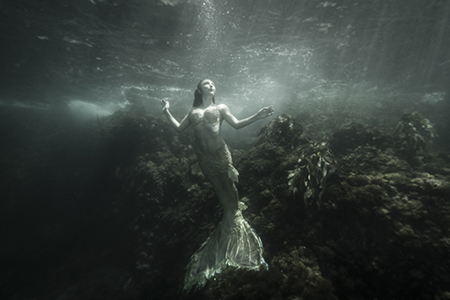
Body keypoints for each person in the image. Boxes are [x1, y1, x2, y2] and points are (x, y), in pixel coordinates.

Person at [161, 79, 274, 291]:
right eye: (207, 83)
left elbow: (237, 124)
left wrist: (258, 116)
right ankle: (229, 237)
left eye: (213, 83)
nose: (211, 85)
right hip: (204, 160)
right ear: (199, 89)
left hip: (221, 155)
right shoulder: (193, 111)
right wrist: (166, 111)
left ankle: (237, 232)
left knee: (230, 191)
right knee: (221, 196)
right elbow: (178, 129)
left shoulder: (220, 107)